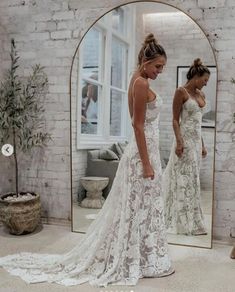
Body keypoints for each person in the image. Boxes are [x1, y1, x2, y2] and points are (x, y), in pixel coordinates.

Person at [0, 34, 174, 287]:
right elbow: (137, 126)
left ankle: (142, 257)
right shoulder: (141, 83)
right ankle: (137, 259)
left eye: (163, 67)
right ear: (145, 62)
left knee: (141, 208)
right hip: (142, 156)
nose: (160, 71)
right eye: (158, 66)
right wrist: (147, 164)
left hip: (145, 153)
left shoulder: (138, 79)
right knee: (138, 208)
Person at [162, 58, 210, 236]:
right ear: (197, 76)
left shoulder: (201, 95)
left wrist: (203, 145)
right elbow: (175, 120)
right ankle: (181, 221)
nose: (205, 84)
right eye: (204, 80)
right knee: (184, 180)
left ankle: (194, 221)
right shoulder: (180, 92)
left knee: (193, 180)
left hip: (196, 143)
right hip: (184, 142)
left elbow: (199, 123)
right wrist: (179, 142)